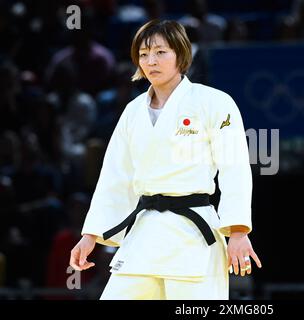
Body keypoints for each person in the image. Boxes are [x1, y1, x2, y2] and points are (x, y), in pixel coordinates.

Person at [69, 19, 262, 300]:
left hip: (193, 235)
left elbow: (235, 168)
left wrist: (238, 230)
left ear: (181, 55)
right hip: (144, 233)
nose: (151, 61)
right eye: (144, 54)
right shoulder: (133, 112)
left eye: (161, 52)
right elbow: (115, 175)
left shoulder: (213, 102)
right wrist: (91, 234)